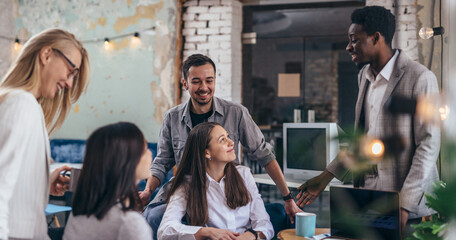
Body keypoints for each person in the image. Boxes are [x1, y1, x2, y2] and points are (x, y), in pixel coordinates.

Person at [296, 5, 440, 235]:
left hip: (408, 209)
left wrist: (404, 205)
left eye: (354, 39)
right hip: (369, 200)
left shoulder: (420, 78)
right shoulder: (364, 76)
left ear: (376, 38)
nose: (348, 47)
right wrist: (326, 176)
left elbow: (429, 146)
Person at [141, 54, 302, 238]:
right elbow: (162, 161)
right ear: (185, 83)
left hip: (228, 187)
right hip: (191, 188)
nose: (204, 87)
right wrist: (148, 191)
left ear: (215, 80)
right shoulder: (172, 118)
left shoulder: (236, 113)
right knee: (154, 216)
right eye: (196, 81)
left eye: (209, 80)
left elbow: (264, 154)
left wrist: (288, 197)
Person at [0, 28, 90, 239]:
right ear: (46, 54)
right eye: (70, 72)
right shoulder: (21, 104)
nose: (69, 84)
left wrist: (43, 184)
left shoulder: (24, 105)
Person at [157, 122, 274, 240]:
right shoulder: (187, 185)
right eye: (222, 140)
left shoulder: (244, 175)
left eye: (228, 136)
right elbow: (165, 231)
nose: (231, 142)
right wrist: (207, 232)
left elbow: (265, 225)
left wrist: (251, 236)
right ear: (207, 152)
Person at [63, 122, 153, 240]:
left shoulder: (79, 212)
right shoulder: (129, 223)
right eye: (145, 148)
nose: (150, 153)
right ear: (128, 161)